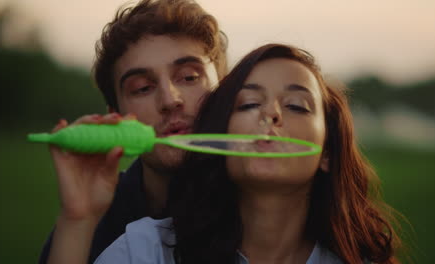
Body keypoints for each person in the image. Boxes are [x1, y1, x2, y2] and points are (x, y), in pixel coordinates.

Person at [94, 44, 402, 264]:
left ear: (327, 153)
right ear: (221, 138)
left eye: (296, 105)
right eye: (248, 104)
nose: (270, 113)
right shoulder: (145, 252)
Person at [39, 0, 227, 263]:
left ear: (224, 90)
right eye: (142, 88)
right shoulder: (90, 225)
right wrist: (78, 220)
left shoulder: (265, 200)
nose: (170, 100)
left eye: (189, 77)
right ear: (116, 115)